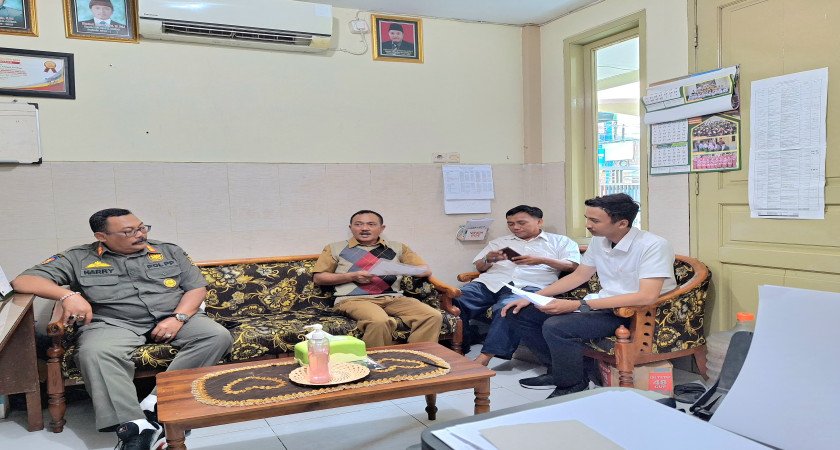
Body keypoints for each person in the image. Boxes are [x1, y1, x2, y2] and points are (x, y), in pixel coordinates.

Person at [12, 208, 232, 450]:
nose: (140, 234)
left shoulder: (169, 250)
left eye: (142, 227)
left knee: (216, 335)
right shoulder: (78, 258)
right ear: (102, 236)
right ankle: (135, 426)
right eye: (129, 232)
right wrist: (68, 295)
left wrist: (178, 317)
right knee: (94, 352)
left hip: (173, 315)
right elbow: (22, 281)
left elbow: (196, 288)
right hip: (114, 322)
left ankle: (157, 403)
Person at [501, 193, 676, 398]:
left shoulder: (653, 245)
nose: (588, 225)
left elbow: (646, 296)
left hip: (632, 311)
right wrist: (531, 297)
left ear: (622, 223)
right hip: (601, 304)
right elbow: (579, 276)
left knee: (557, 326)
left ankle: (573, 385)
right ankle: (558, 371)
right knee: (519, 313)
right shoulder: (599, 241)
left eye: (595, 220)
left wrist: (578, 305)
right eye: (587, 218)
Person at [455, 205, 579, 366]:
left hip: (529, 285)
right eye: (510, 223)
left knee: (507, 308)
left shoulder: (560, 241)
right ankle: (461, 347)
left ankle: (483, 358)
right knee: (456, 299)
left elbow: (573, 266)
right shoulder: (500, 242)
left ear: (539, 222)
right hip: (490, 282)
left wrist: (541, 260)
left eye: (521, 223)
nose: (515, 227)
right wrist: (488, 260)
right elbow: (480, 267)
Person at [313, 210, 442, 347]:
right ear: (351, 228)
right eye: (358, 224)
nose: (364, 228)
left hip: (393, 298)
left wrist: (398, 269)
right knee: (379, 321)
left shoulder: (398, 247)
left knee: (432, 315)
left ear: (382, 228)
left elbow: (425, 270)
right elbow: (318, 277)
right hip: (353, 299)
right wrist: (352, 276)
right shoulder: (334, 248)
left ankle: (417, 356)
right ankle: (379, 359)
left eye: (371, 224)